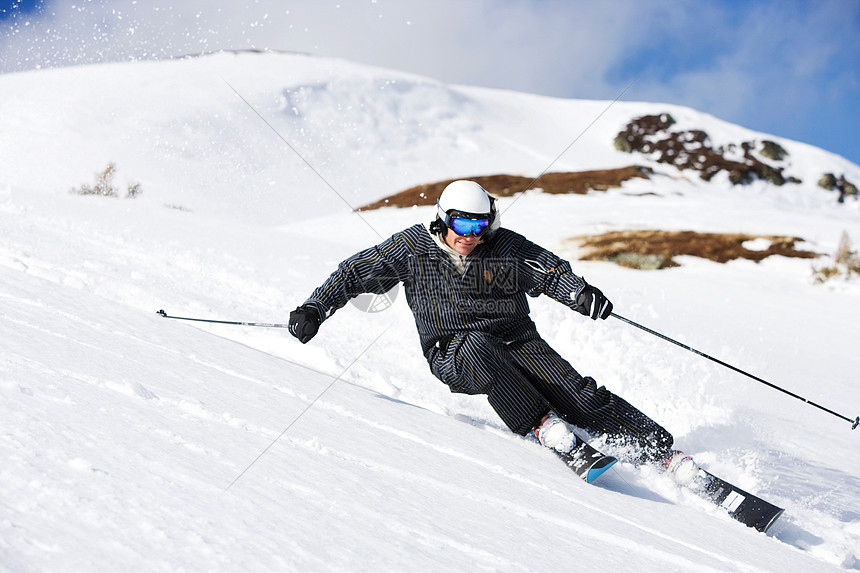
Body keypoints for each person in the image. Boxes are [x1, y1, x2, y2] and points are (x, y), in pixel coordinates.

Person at [289, 180, 697, 483]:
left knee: (580, 395)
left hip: (518, 339)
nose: (469, 235)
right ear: (443, 218)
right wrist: (315, 307)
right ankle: (542, 424)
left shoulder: (502, 246)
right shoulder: (413, 248)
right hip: (455, 351)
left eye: (478, 225)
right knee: (479, 347)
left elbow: (547, 268)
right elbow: (354, 272)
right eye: (461, 224)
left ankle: (661, 452)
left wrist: (581, 293)